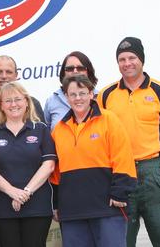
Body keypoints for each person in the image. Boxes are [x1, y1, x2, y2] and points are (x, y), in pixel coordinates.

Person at [97, 37, 160, 247]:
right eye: (122, 59)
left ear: (142, 60)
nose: (127, 63)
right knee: (120, 240)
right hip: (121, 174)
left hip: (154, 172)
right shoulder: (106, 95)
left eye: (132, 57)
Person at [51, 75, 136, 247]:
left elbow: (123, 156)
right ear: (66, 97)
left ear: (91, 94)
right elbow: (55, 173)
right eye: (72, 94)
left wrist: (120, 191)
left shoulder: (109, 120)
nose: (78, 98)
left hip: (107, 207)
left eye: (82, 93)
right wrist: (56, 204)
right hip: (72, 212)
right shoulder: (59, 130)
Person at [0, 82, 56, 247]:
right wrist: (12, 192)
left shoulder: (41, 129)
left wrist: (25, 193)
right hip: (3, 207)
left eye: (17, 99)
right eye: (7, 101)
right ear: (1, 105)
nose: (13, 104)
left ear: (27, 102)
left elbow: (49, 165)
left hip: (37, 206)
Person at [44, 51, 98, 129]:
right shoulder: (52, 101)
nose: (75, 71)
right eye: (70, 68)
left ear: (88, 72)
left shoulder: (101, 97)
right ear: (63, 73)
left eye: (80, 68)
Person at [0, 55, 45, 125]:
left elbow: (42, 133)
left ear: (16, 75)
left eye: (9, 72)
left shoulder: (32, 104)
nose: (4, 76)